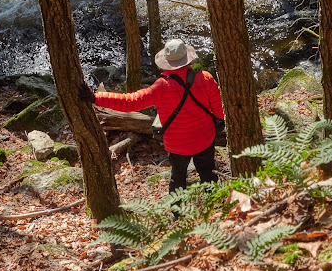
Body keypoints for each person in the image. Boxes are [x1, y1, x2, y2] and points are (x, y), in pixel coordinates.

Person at [79, 38, 224, 194]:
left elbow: (131, 102)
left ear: (167, 61)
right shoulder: (206, 78)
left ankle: (178, 213)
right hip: (205, 138)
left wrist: (96, 97)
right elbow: (219, 111)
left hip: (178, 145)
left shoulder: (161, 86)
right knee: (208, 173)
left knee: (178, 177)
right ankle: (214, 207)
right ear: (188, 59)